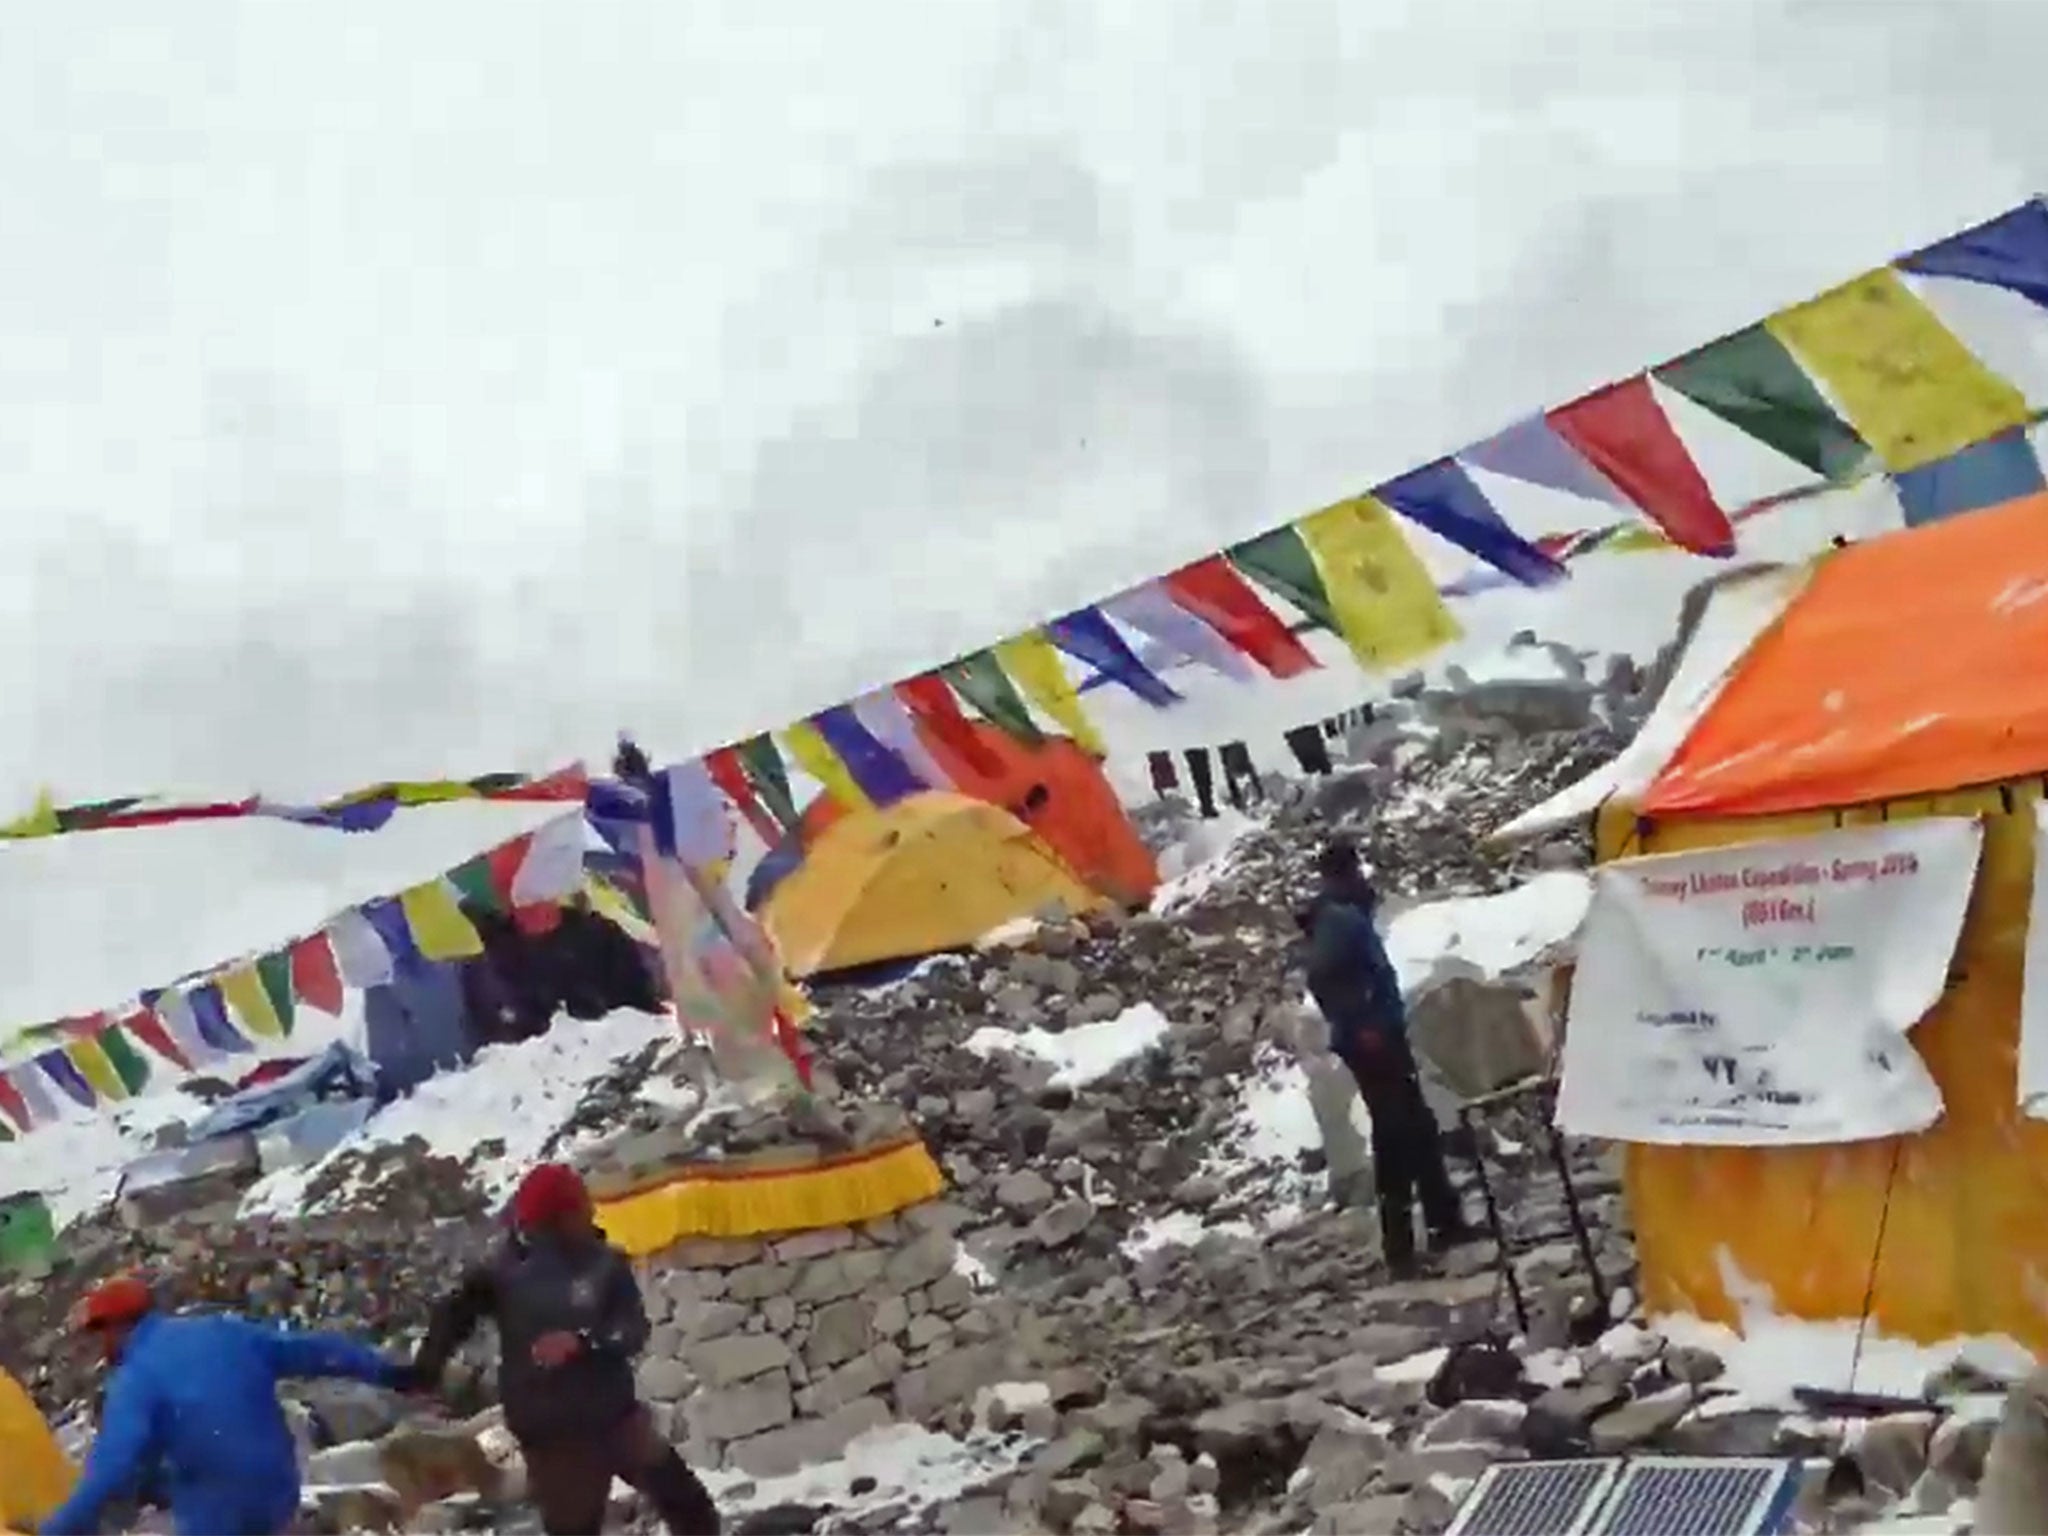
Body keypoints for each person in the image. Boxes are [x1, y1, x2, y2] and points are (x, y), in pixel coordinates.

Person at [411, 1163, 720, 1535]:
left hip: (617, 1419)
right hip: (555, 1436)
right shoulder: (500, 1274)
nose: (590, 1210)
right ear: (559, 1215)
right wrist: (425, 1370)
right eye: (579, 1206)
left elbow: (631, 1331)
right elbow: (452, 1315)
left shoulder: (606, 1264)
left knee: (691, 1508)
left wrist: (583, 1341)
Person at [38, 1273, 414, 1536]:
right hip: (278, 1493)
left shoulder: (136, 1379)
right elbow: (315, 1350)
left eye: (96, 1334)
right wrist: (391, 1374)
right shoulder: (225, 1331)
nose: (96, 1346)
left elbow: (112, 1467)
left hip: (216, 1513)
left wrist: (56, 1529)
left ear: (114, 1326)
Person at [1300, 836, 1475, 1276]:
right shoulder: (1339, 918)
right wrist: (1365, 1024)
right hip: (1373, 1041)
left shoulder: (1340, 914)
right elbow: (1325, 977)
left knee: (1414, 1125)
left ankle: (1441, 1219)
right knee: (1398, 1133)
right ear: (1348, 871)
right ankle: (1403, 1245)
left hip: (1376, 1036)